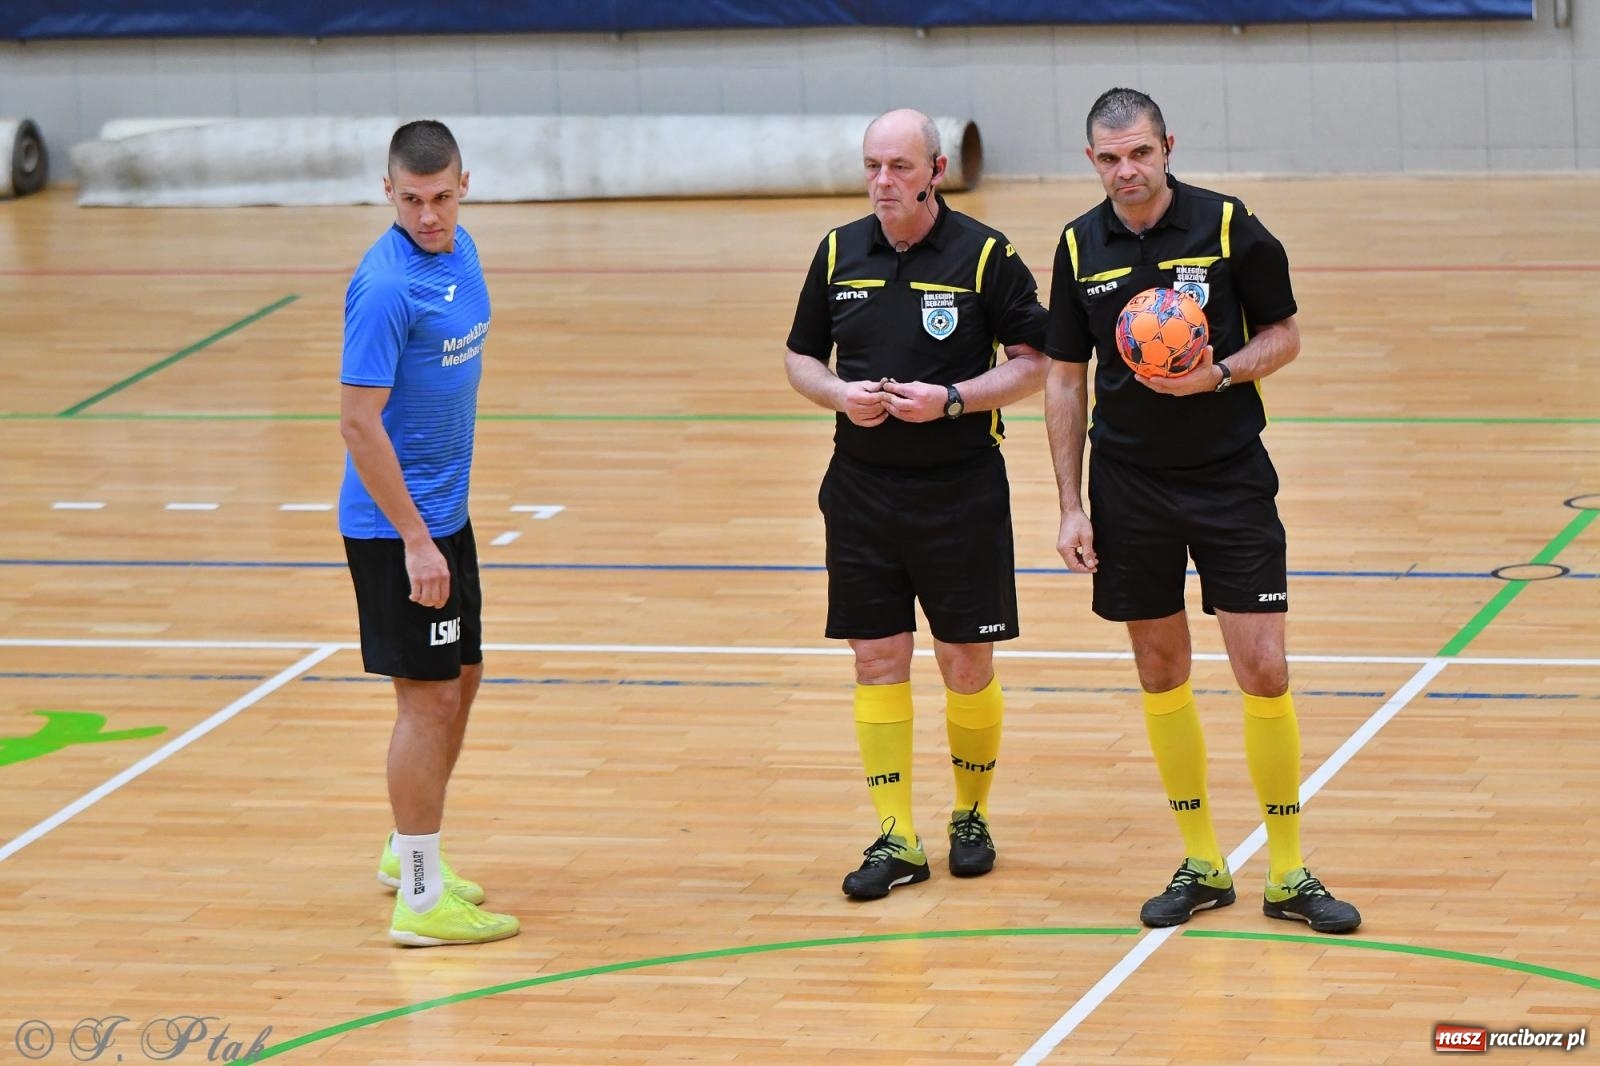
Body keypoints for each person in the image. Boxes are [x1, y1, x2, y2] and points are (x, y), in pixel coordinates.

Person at [1044, 88, 1361, 934]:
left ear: (1167, 147)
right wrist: (1071, 505)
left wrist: (1217, 374)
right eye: (1110, 158)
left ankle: (1289, 872)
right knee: (1160, 670)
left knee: (1264, 666)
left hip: (1229, 477)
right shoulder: (1078, 245)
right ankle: (1202, 863)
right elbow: (1066, 381)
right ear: (1092, 161)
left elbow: (1284, 335)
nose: (1127, 171)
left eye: (1140, 153)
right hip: (1128, 486)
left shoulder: (1228, 226)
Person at [785, 108, 1050, 901]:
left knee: (965, 663)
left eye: (899, 167)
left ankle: (971, 815)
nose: (882, 182)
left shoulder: (985, 255)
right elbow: (801, 357)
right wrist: (838, 394)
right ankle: (896, 835)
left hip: (960, 492)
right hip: (861, 492)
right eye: (872, 166)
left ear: (937, 170)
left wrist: (954, 399)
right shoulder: (839, 251)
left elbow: (1035, 361)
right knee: (877, 660)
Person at [340, 119, 518, 946]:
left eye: (441, 197)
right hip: (398, 530)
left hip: (448, 515)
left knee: (464, 677)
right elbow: (357, 422)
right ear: (388, 192)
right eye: (411, 200)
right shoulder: (385, 287)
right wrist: (415, 539)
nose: (428, 216)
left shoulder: (462, 251)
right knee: (428, 699)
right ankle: (419, 898)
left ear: (464, 185)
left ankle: (404, 846)